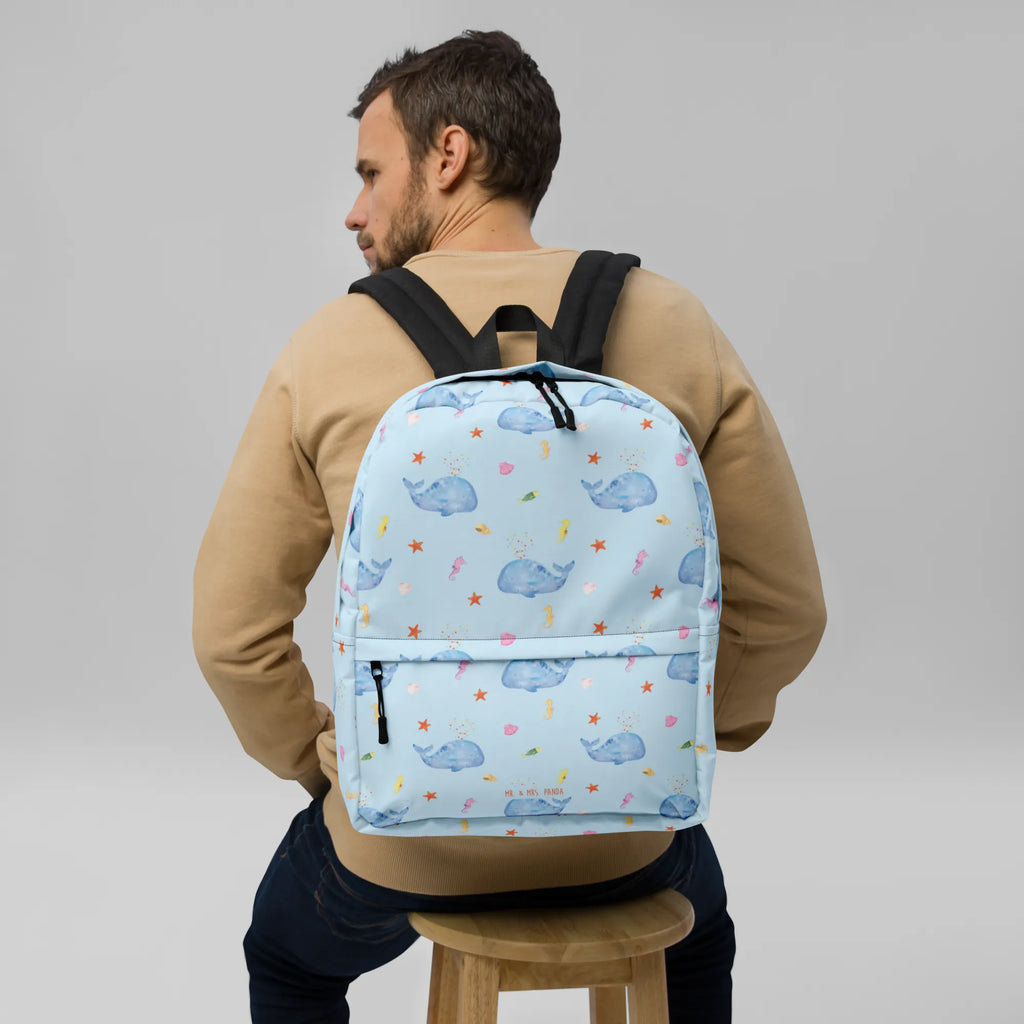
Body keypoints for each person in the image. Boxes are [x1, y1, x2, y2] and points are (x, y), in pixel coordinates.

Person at [193, 29, 826, 1023]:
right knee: (699, 936)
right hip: (624, 832)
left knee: (289, 961)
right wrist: (685, 733)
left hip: (400, 838)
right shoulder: (675, 322)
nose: (354, 210)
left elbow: (231, 636)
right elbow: (786, 611)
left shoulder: (329, 346)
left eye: (371, 173)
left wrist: (332, 765)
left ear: (449, 154)